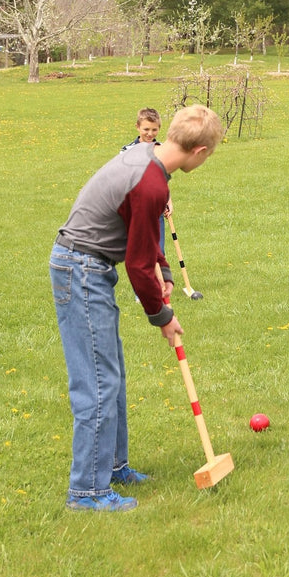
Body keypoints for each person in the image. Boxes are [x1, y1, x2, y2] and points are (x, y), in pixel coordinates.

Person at [50, 104, 223, 512]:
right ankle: (86, 492)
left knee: (111, 374)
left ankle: (112, 467)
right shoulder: (150, 182)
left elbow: (143, 242)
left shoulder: (149, 159)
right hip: (81, 268)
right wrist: (163, 316)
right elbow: (137, 263)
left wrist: (165, 269)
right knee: (97, 381)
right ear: (198, 152)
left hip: (88, 265)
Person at [122, 107, 171, 252]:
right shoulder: (127, 151)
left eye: (154, 130)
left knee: (158, 252)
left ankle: (159, 275)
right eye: (146, 129)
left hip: (156, 209)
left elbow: (164, 178)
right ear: (137, 127)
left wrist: (168, 201)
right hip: (136, 210)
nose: (150, 134)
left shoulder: (161, 149)